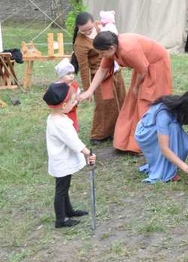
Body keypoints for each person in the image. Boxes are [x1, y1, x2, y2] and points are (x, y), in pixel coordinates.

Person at [79, 31, 172, 154]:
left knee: (146, 101)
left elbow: (144, 70)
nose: (101, 56)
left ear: (111, 48)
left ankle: (143, 142)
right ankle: (126, 141)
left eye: (102, 53)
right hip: (142, 67)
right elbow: (102, 70)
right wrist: (90, 91)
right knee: (132, 102)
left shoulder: (128, 50)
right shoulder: (111, 50)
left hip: (156, 65)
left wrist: (136, 86)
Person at [134, 89, 188, 183]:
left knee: (187, 144)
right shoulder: (164, 114)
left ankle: (168, 167)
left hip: (167, 130)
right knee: (174, 128)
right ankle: (164, 173)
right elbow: (164, 148)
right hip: (146, 133)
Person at [43, 81, 96, 228]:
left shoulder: (54, 118)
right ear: (64, 106)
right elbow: (73, 141)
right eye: (73, 101)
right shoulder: (60, 123)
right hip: (61, 162)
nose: (75, 103)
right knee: (61, 191)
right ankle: (60, 219)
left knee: (64, 188)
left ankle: (69, 211)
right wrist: (87, 152)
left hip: (61, 160)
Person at [72, 12, 126, 145]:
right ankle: (99, 134)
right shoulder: (80, 43)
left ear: (93, 22)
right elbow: (84, 68)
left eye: (89, 29)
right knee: (105, 105)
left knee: (121, 99)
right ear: (78, 28)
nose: (87, 32)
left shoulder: (100, 26)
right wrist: (87, 90)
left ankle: (118, 130)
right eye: (83, 30)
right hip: (99, 75)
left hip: (114, 69)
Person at [54, 58, 80, 132]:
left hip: (72, 112)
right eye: (68, 74)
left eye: (73, 73)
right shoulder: (56, 87)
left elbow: (78, 97)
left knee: (72, 128)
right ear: (61, 76)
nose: (72, 76)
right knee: (62, 130)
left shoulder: (75, 86)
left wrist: (76, 101)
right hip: (60, 114)